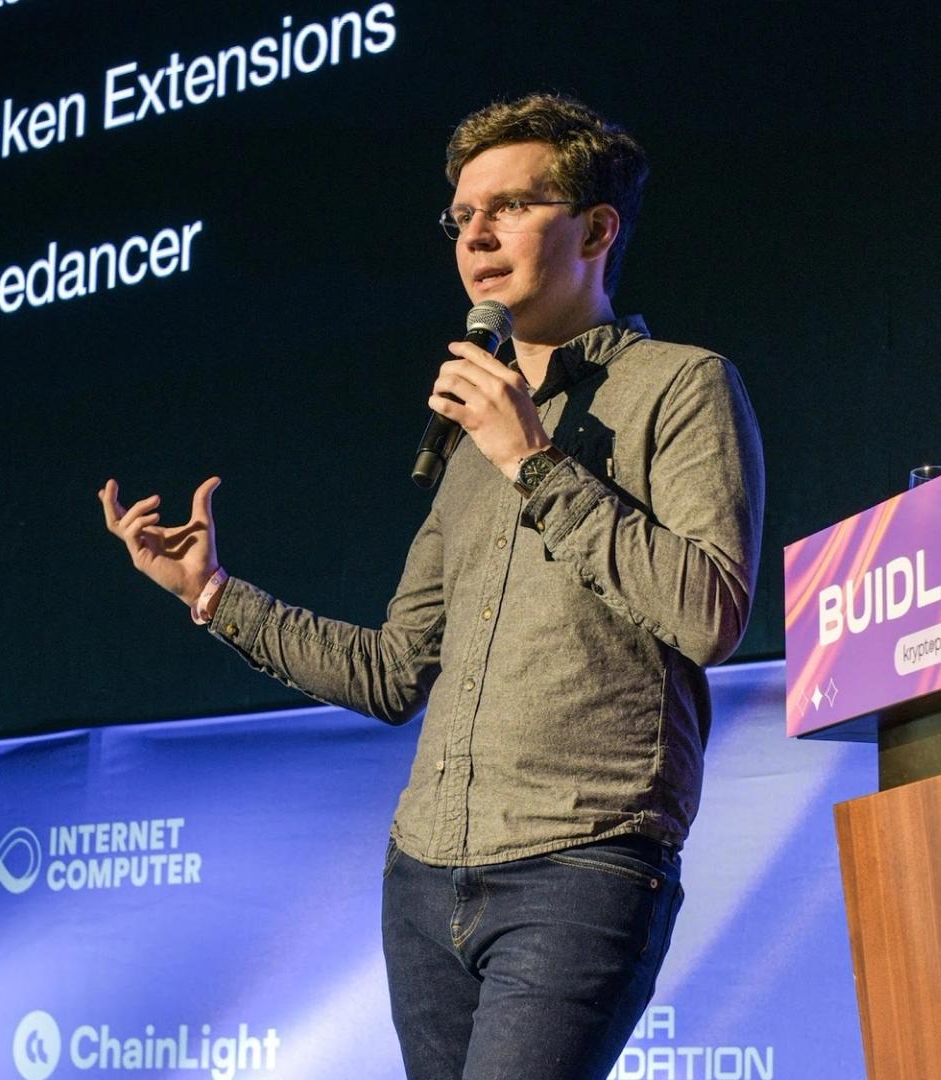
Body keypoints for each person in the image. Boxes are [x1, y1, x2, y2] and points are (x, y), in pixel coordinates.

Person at [97, 93, 764, 1080]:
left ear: (596, 230)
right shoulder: (469, 441)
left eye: (511, 206)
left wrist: (533, 462)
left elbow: (710, 613)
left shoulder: (681, 383)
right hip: (423, 878)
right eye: (461, 217)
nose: (477, 235)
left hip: (579, 861)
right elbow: (393, 671)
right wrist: (212, 592)